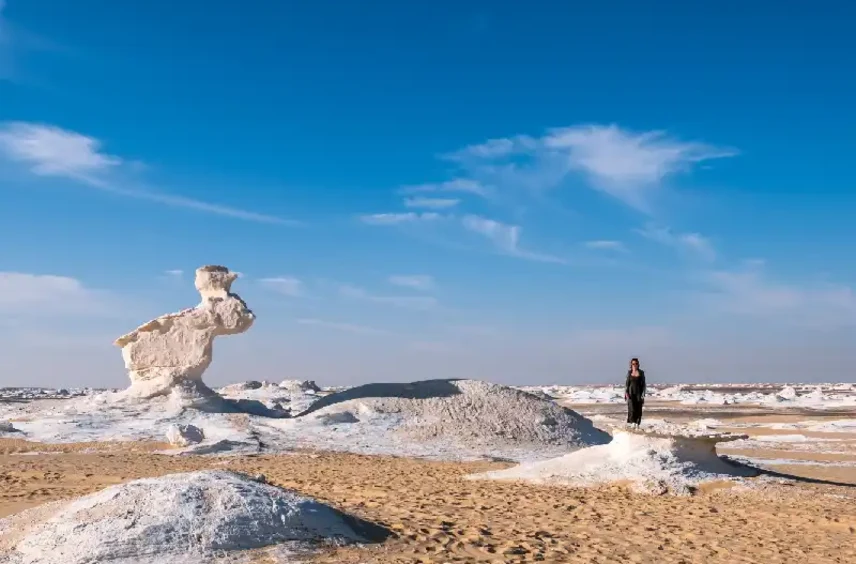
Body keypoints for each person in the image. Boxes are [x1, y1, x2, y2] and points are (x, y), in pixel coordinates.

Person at [624, 358, 646, 426]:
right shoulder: (629, 373)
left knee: (638, 409)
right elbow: (627, 384)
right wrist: (626, 393)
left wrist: (643, 395)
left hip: (639, 393)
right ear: (631, 364)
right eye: (633, 364)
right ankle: (631, 423)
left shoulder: (641, 373)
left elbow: (643, 384)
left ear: (638, 364)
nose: (634, 365)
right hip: (631, 393)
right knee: (631, 408)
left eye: (636, 363)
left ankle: (637, 424)